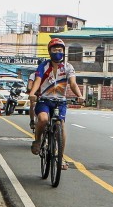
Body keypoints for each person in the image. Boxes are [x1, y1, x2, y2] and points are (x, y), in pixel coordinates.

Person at [27, 37, 84, 168]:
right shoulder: (43, 66)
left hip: (60, 102)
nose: (57, 52)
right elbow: (37, 80)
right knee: (43, 119)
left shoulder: (68, 67)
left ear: (63, 52)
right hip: (44, 101)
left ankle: (60, 157)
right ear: (49, 51)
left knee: (61, 125)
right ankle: (38, 140)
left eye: (60, 49)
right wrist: (32, 94)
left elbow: (73, 83)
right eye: (55, 49)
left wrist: (80, 96)